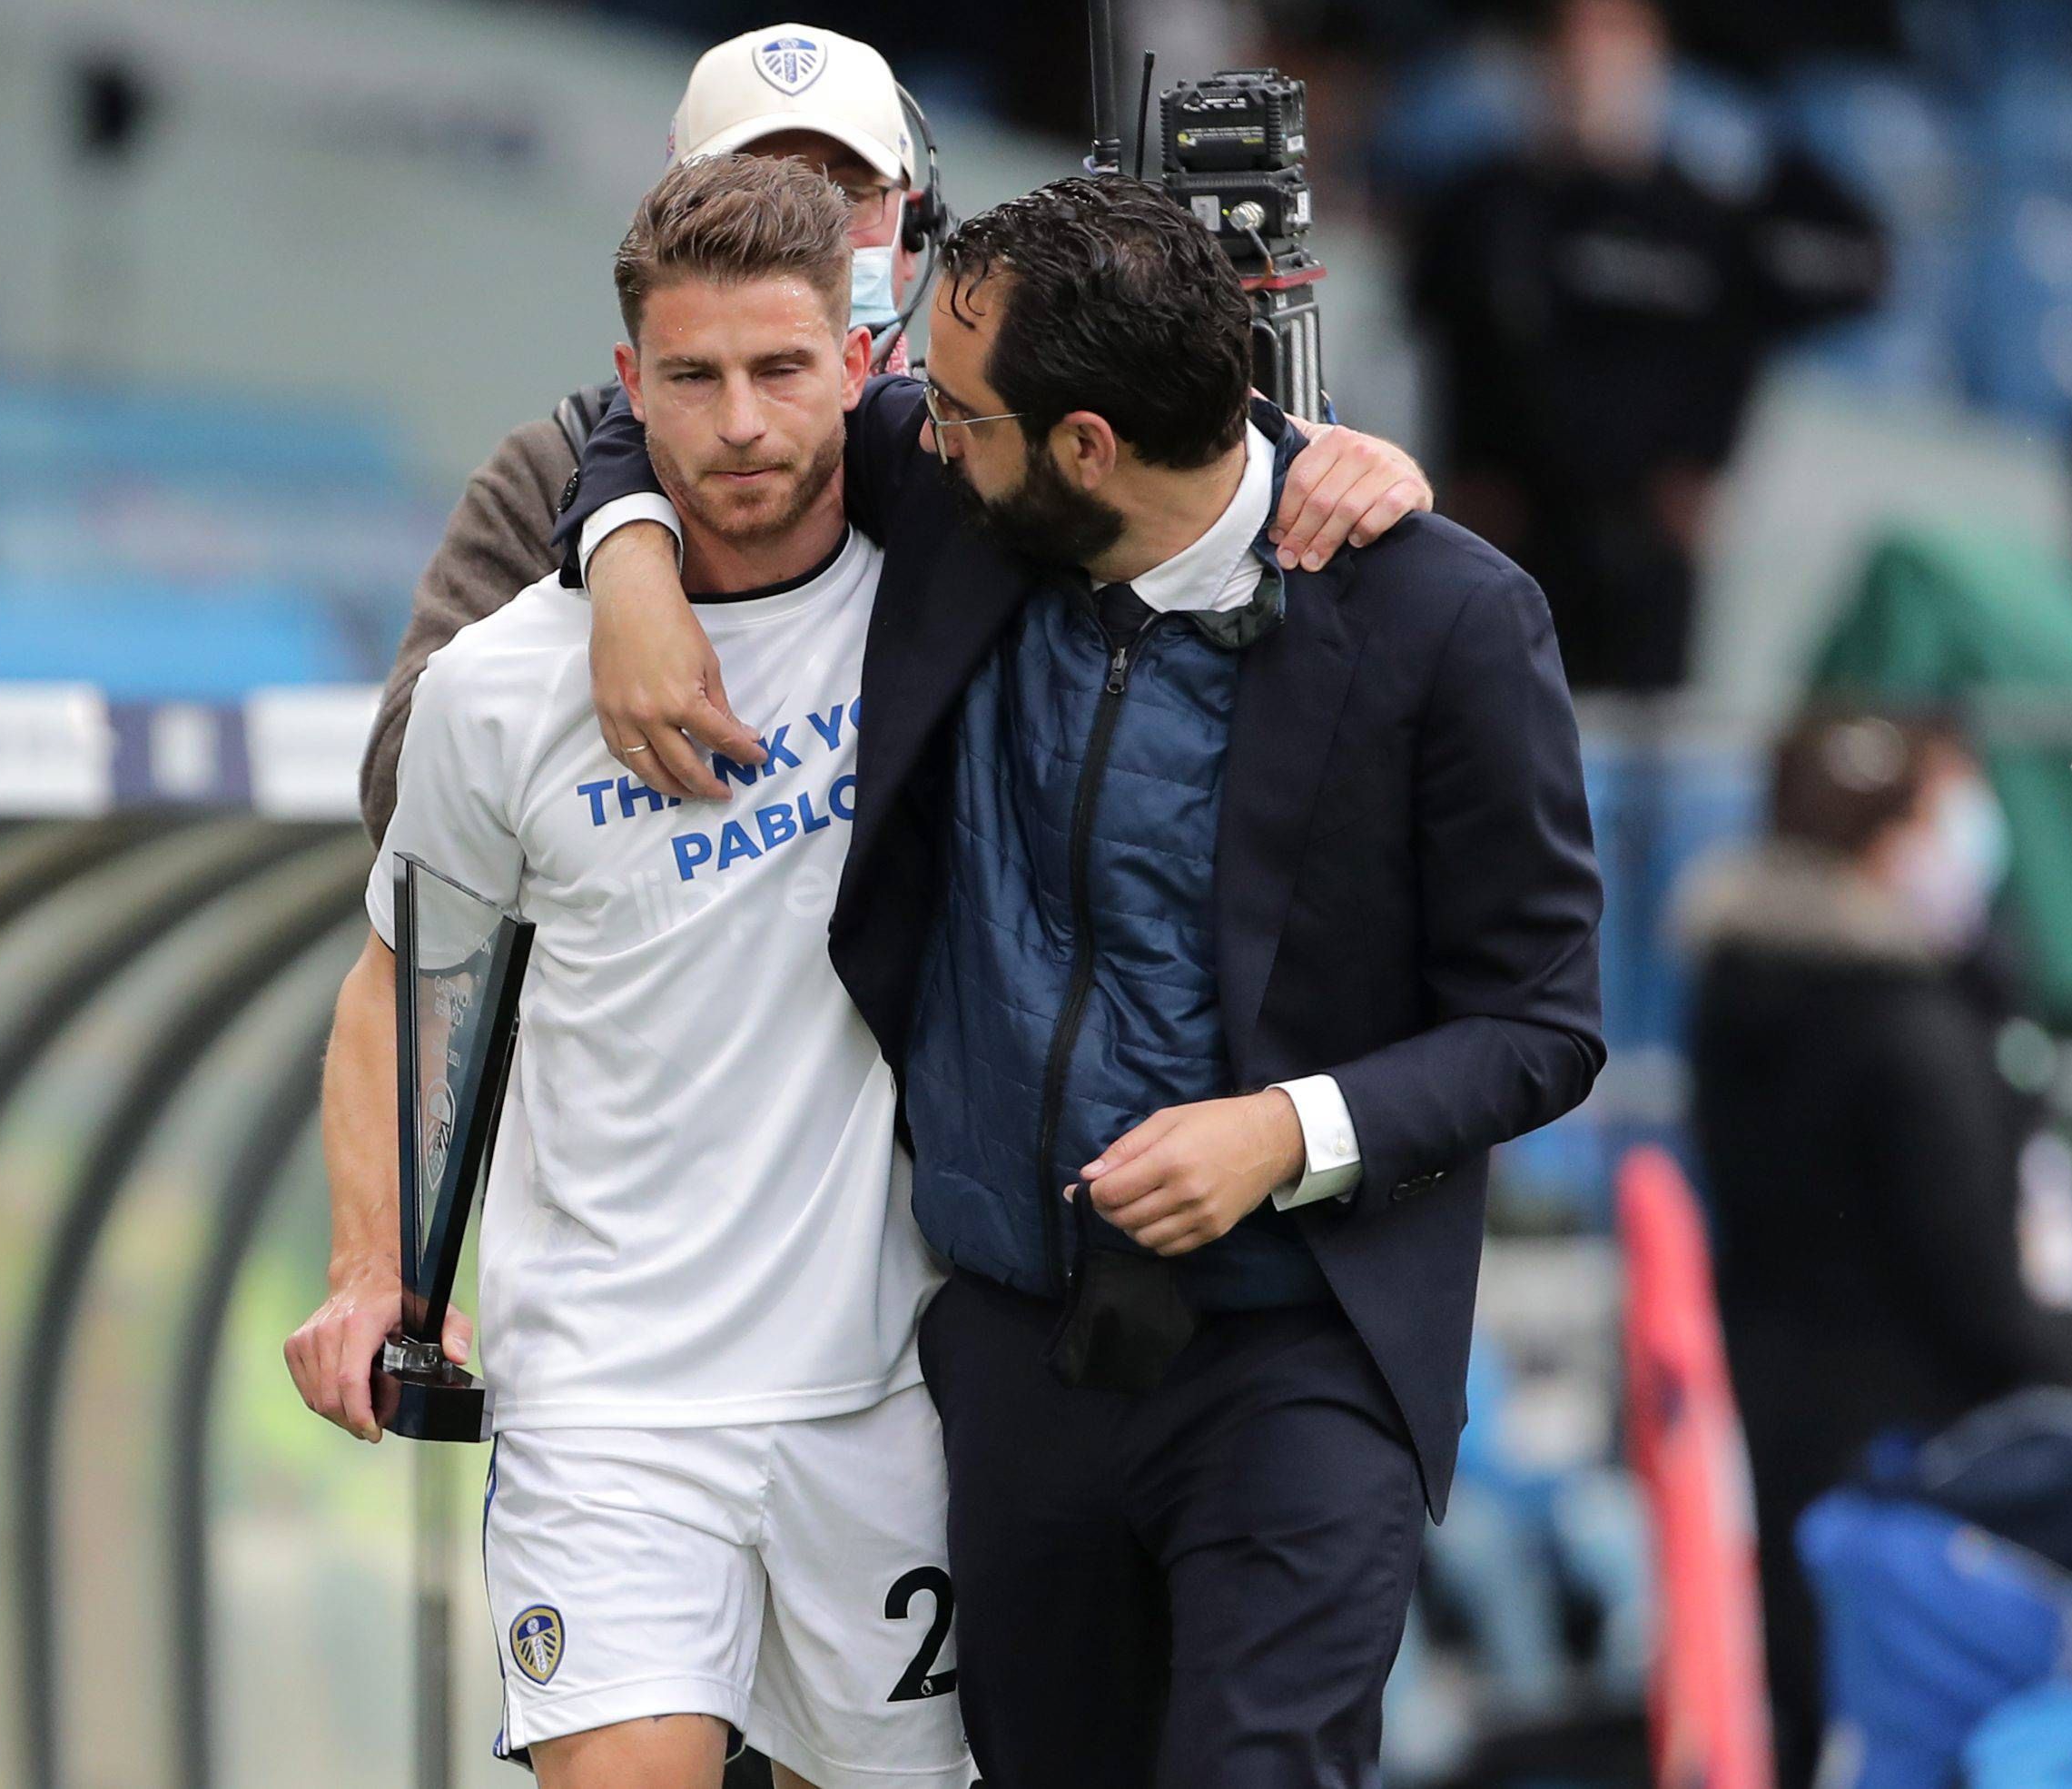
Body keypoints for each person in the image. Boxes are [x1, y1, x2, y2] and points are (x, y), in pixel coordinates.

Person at [566, 169, 1606, 1786]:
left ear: (1085, 449)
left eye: (962, 413)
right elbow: (671, 396)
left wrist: (1284, 1128)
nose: (914, 428)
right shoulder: (967, 502)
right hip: (1012, 1355)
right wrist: (626, 553)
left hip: (1300, 1355)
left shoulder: (1444, 616)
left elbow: (1540, 1023)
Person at [291, 157, 966, 1789]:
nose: (739, 419)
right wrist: (372, 1262)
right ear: (626, 386)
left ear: (857, 362)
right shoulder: (496, 690)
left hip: (884, 1390)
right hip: (602, 1393)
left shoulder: (945, 615)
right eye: (693, 375)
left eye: (779, 368)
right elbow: (398, 980)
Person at [358, 19, 1434, 843]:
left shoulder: (996, 452)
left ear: (915, 229)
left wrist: (1315, 458)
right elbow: (404, 789)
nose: (807, 224)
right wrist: (618, 582)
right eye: (756, 184)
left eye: (848, 191)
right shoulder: (550, 465)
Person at [1682, 709, 2072, 1789]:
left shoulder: (1738, 986)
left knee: (1815, 1707)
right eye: (1941, 806)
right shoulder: (1912, 1030)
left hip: (1784, 1409)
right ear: (1893, 837)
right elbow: (1976, 1282)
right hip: (1927, 1448)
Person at [1406, 0, 1883, 692]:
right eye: (1573, 48)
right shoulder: (1482, 206)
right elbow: (1445, 342)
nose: (1590, 71)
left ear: (1653, 68)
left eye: (1613, 50)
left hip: (1648, 538)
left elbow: (1746, 341)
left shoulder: (1702, 215)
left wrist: (1708, 468)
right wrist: (1463, 469)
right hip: (1514, 524)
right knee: (1509, 725)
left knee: (1653, 743)